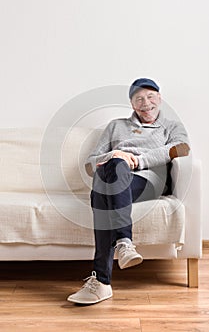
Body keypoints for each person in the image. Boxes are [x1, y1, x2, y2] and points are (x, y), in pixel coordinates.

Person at [67, 78, 190, 305]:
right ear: (132, 104)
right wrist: (115, 156)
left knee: (107, 180)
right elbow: (90, 163)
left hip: (150, 181)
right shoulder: (116, 126)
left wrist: (136, 161)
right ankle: (119, 251)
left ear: (159, 99)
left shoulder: (172, 126)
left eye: (151, 97)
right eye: (139, 99)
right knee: (105, 181)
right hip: (115, 177)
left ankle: (103, 276)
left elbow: (181, 148)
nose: (146, 103)